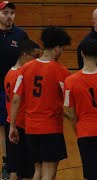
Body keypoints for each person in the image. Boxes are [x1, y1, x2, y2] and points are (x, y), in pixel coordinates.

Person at [9, 26, 71, 180]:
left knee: (38, 171)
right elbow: (69, 101)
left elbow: (16, 99)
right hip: (51, 128)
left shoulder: (26, 68)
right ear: (57, 48)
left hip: (31, 129)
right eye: (62, 49)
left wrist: (12, 126)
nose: (62, 52)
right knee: (49, 173)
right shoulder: (61, 71)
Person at [64, 39, 97, 180]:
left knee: (91, 174)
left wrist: (80, 130)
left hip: (84, 132)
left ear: (82, 54)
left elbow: (71, 114)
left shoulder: (70, 81)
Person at [4, 39, 40, 180]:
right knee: (28, 171)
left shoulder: (9, 73)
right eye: (35, 57)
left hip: (11, 123)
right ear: (25, 55)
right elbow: (17, 101)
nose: (37, 61)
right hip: (22, 126)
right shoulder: (22, 75)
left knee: (15, 168)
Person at [0, 1, 29, 178]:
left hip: (15, 90)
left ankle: (21, 164)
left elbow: (27, 59)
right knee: (3, 128)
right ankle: (6, 163)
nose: (9, 16)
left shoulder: (20, 35)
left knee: (17, 127)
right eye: (5, 13)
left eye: (11, 13)